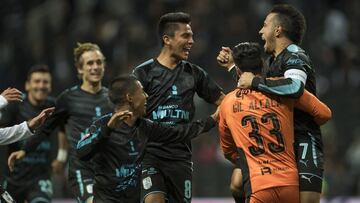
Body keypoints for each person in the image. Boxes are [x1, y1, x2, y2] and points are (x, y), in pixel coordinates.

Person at [218, 4, 324, 203]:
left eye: (265, 25)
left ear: (278, 30)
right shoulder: (273, 61)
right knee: (237, 182)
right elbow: (255, 92)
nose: (260, 31)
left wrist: (256, 81)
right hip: (277, 144)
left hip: (302, 140)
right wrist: (235, 66)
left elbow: (294, 87)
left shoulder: (295, 55)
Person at [76, 75, 218, 202]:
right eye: (142, 91)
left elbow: (179, 132)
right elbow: (81, 152)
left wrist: (212, 120)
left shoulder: (145, 127)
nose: (146, 96)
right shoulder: (102, 125)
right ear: (129, 98)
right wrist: (107, 129)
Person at [132, 12, 224, 202]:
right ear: (167, 39)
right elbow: (131, 113)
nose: (191, 41)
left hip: (181, 157)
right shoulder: (143, 73)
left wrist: (234, 69)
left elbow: (224, 101)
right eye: (185, 36)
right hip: (151, 155)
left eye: (192, 36)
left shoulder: (194, 73)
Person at [7, 43, 112, 203]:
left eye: (99, 62)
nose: (95, 67)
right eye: (90, 63)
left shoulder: (113, 98)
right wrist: (25, 150)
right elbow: (46, 129)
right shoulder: (67, 99)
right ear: (79, 69)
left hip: (110, 167)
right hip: (83, 169)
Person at [0, 65, 67, 203]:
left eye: (45, 82)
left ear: (50, 86)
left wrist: (61, 156)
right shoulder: (16, 105)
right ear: (27, 85)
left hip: (41, 177)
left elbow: (63, 128)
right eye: (37, 81)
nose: (41, 86)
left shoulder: (54, 106)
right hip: (14, 176)